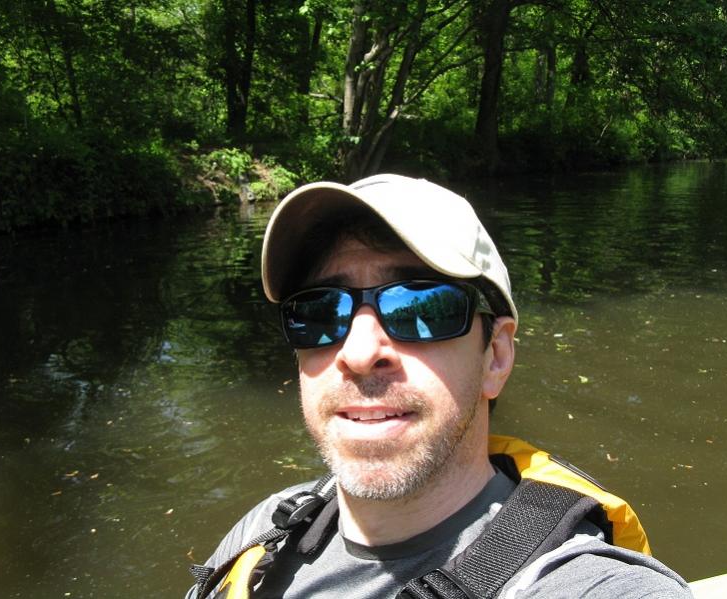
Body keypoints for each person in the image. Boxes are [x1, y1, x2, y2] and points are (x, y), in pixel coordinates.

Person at [186, 174, 691, 598]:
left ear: (496, 356)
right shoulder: (263, 532)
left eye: (419, 307)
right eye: (319, 313)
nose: (358, 353)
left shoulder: (582, 584)